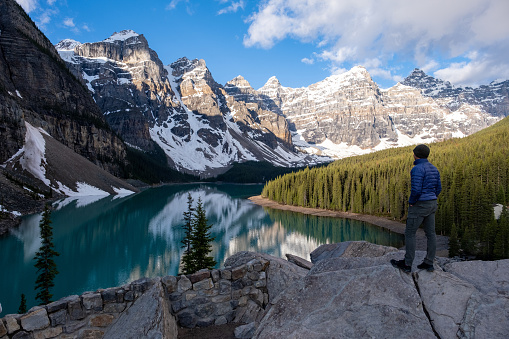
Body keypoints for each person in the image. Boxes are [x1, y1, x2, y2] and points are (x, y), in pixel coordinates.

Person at [391, 144, 441, 273]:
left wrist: (412, 202)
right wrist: (432, 197)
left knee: (410, 233)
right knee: (431, 234)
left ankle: (407, 264)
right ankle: (429, 263)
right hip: (432, 203)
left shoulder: (417, 169)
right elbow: (438, 188)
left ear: (416, 154)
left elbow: (416, 189)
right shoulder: (434, 168)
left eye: (413, 153)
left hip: (420, 204)